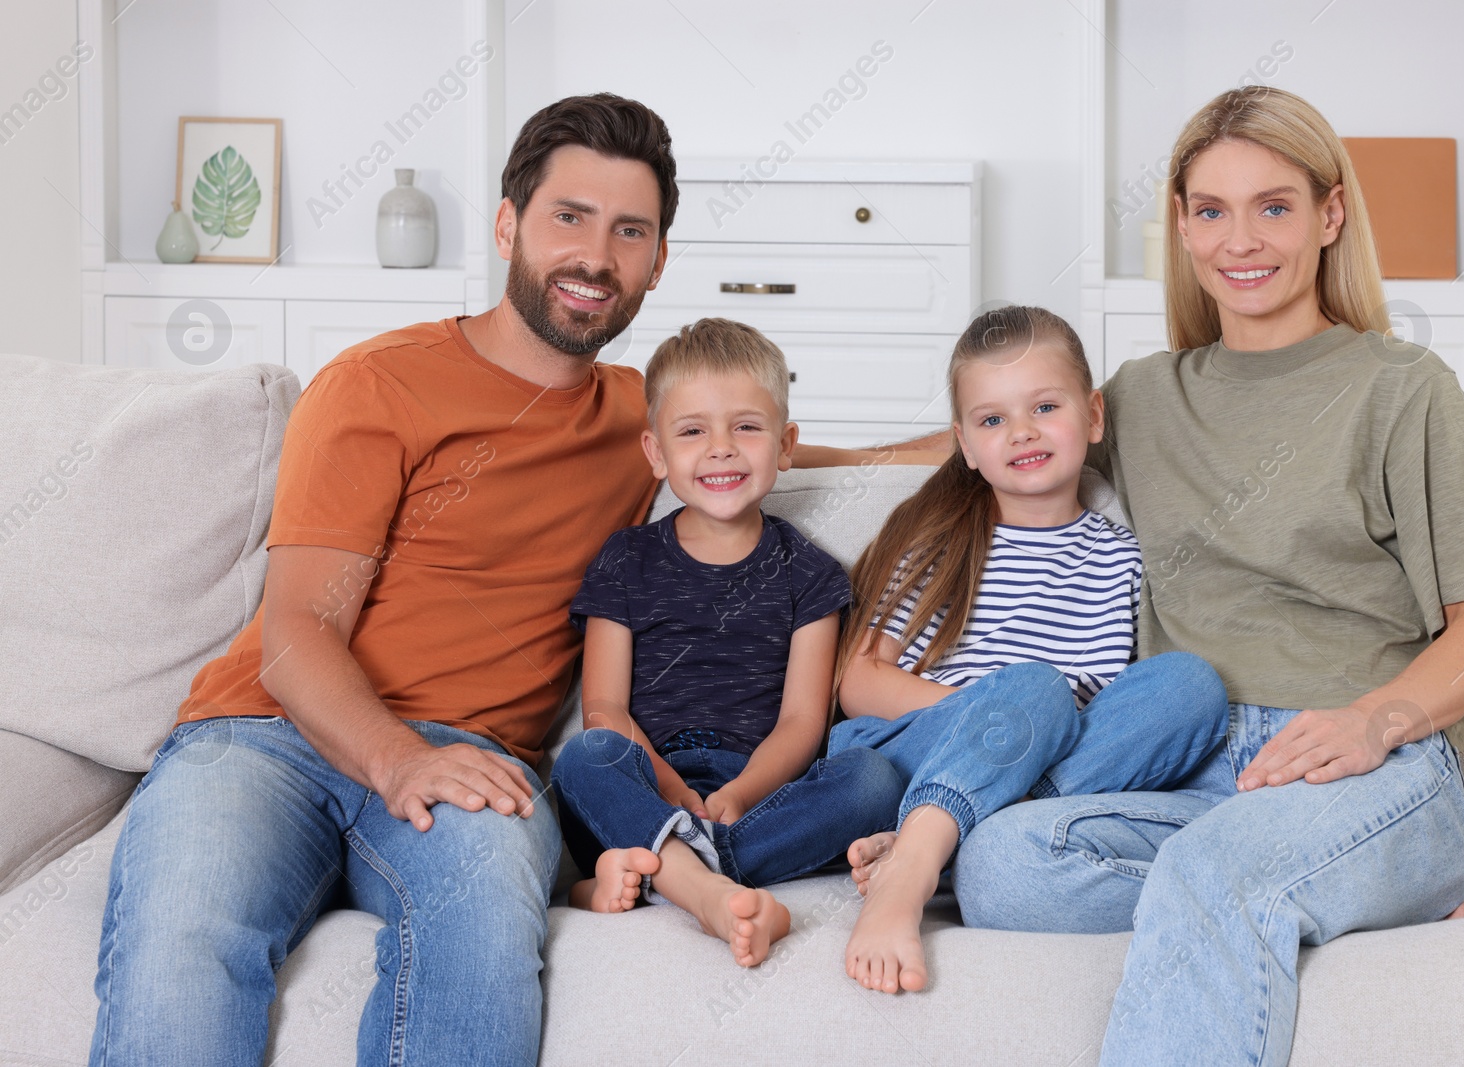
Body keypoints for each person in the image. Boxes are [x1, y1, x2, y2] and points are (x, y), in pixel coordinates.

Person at [88, 93, 935, 1067]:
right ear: (507, 225)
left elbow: (802, 452)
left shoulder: (648, 422)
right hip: (265, 738)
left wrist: (976, 438)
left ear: (657, 260)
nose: (595, 255)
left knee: (482, 942)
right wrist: (396, 757)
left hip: (476, 759)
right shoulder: (378, 381)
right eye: (568, 217)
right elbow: (294, 639)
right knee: (185, 937)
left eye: (629, 230)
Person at [942, 88, 1464, 1066]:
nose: (1239, 239)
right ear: (1179, 224)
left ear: (1328, 215)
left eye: (1273, 205)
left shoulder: (1402, 389)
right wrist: (766, 455)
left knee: (1216, 870)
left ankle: (1331, 879)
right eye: (1209, 210)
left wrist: (1370, 719)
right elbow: (986, 432)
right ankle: (1347, 902)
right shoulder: (1139, 395)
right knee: (999, 859)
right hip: (1191, 769)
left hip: (1367, 767)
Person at [828, 305, 1231, 995]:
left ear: (1094, 416)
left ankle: (940, 838)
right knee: (1037, 690)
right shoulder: (942, 542)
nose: (1021, 431)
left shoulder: (1125, 555)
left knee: (1191, 684)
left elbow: (1132, 708)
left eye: (1045, 405)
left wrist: (1030, 739)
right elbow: (860, 681)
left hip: (1053, 758)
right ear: (965, 443)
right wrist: (996, 715)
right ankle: (914, 871)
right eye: (992, 420)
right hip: (925, 740)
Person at [549, 317, 903, 968]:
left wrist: (738, 796)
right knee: (585, 756)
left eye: (746, 426)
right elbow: (605, 708)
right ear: (655, 453)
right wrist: (673, 792)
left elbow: (802, 721)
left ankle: (666, 871)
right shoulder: (626, 559)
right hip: (645, 781)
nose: (721, 448)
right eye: (692, 431)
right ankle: (703, 880)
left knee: (872, 777)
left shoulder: (812, 575)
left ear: (785, 443)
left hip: (758, 795)